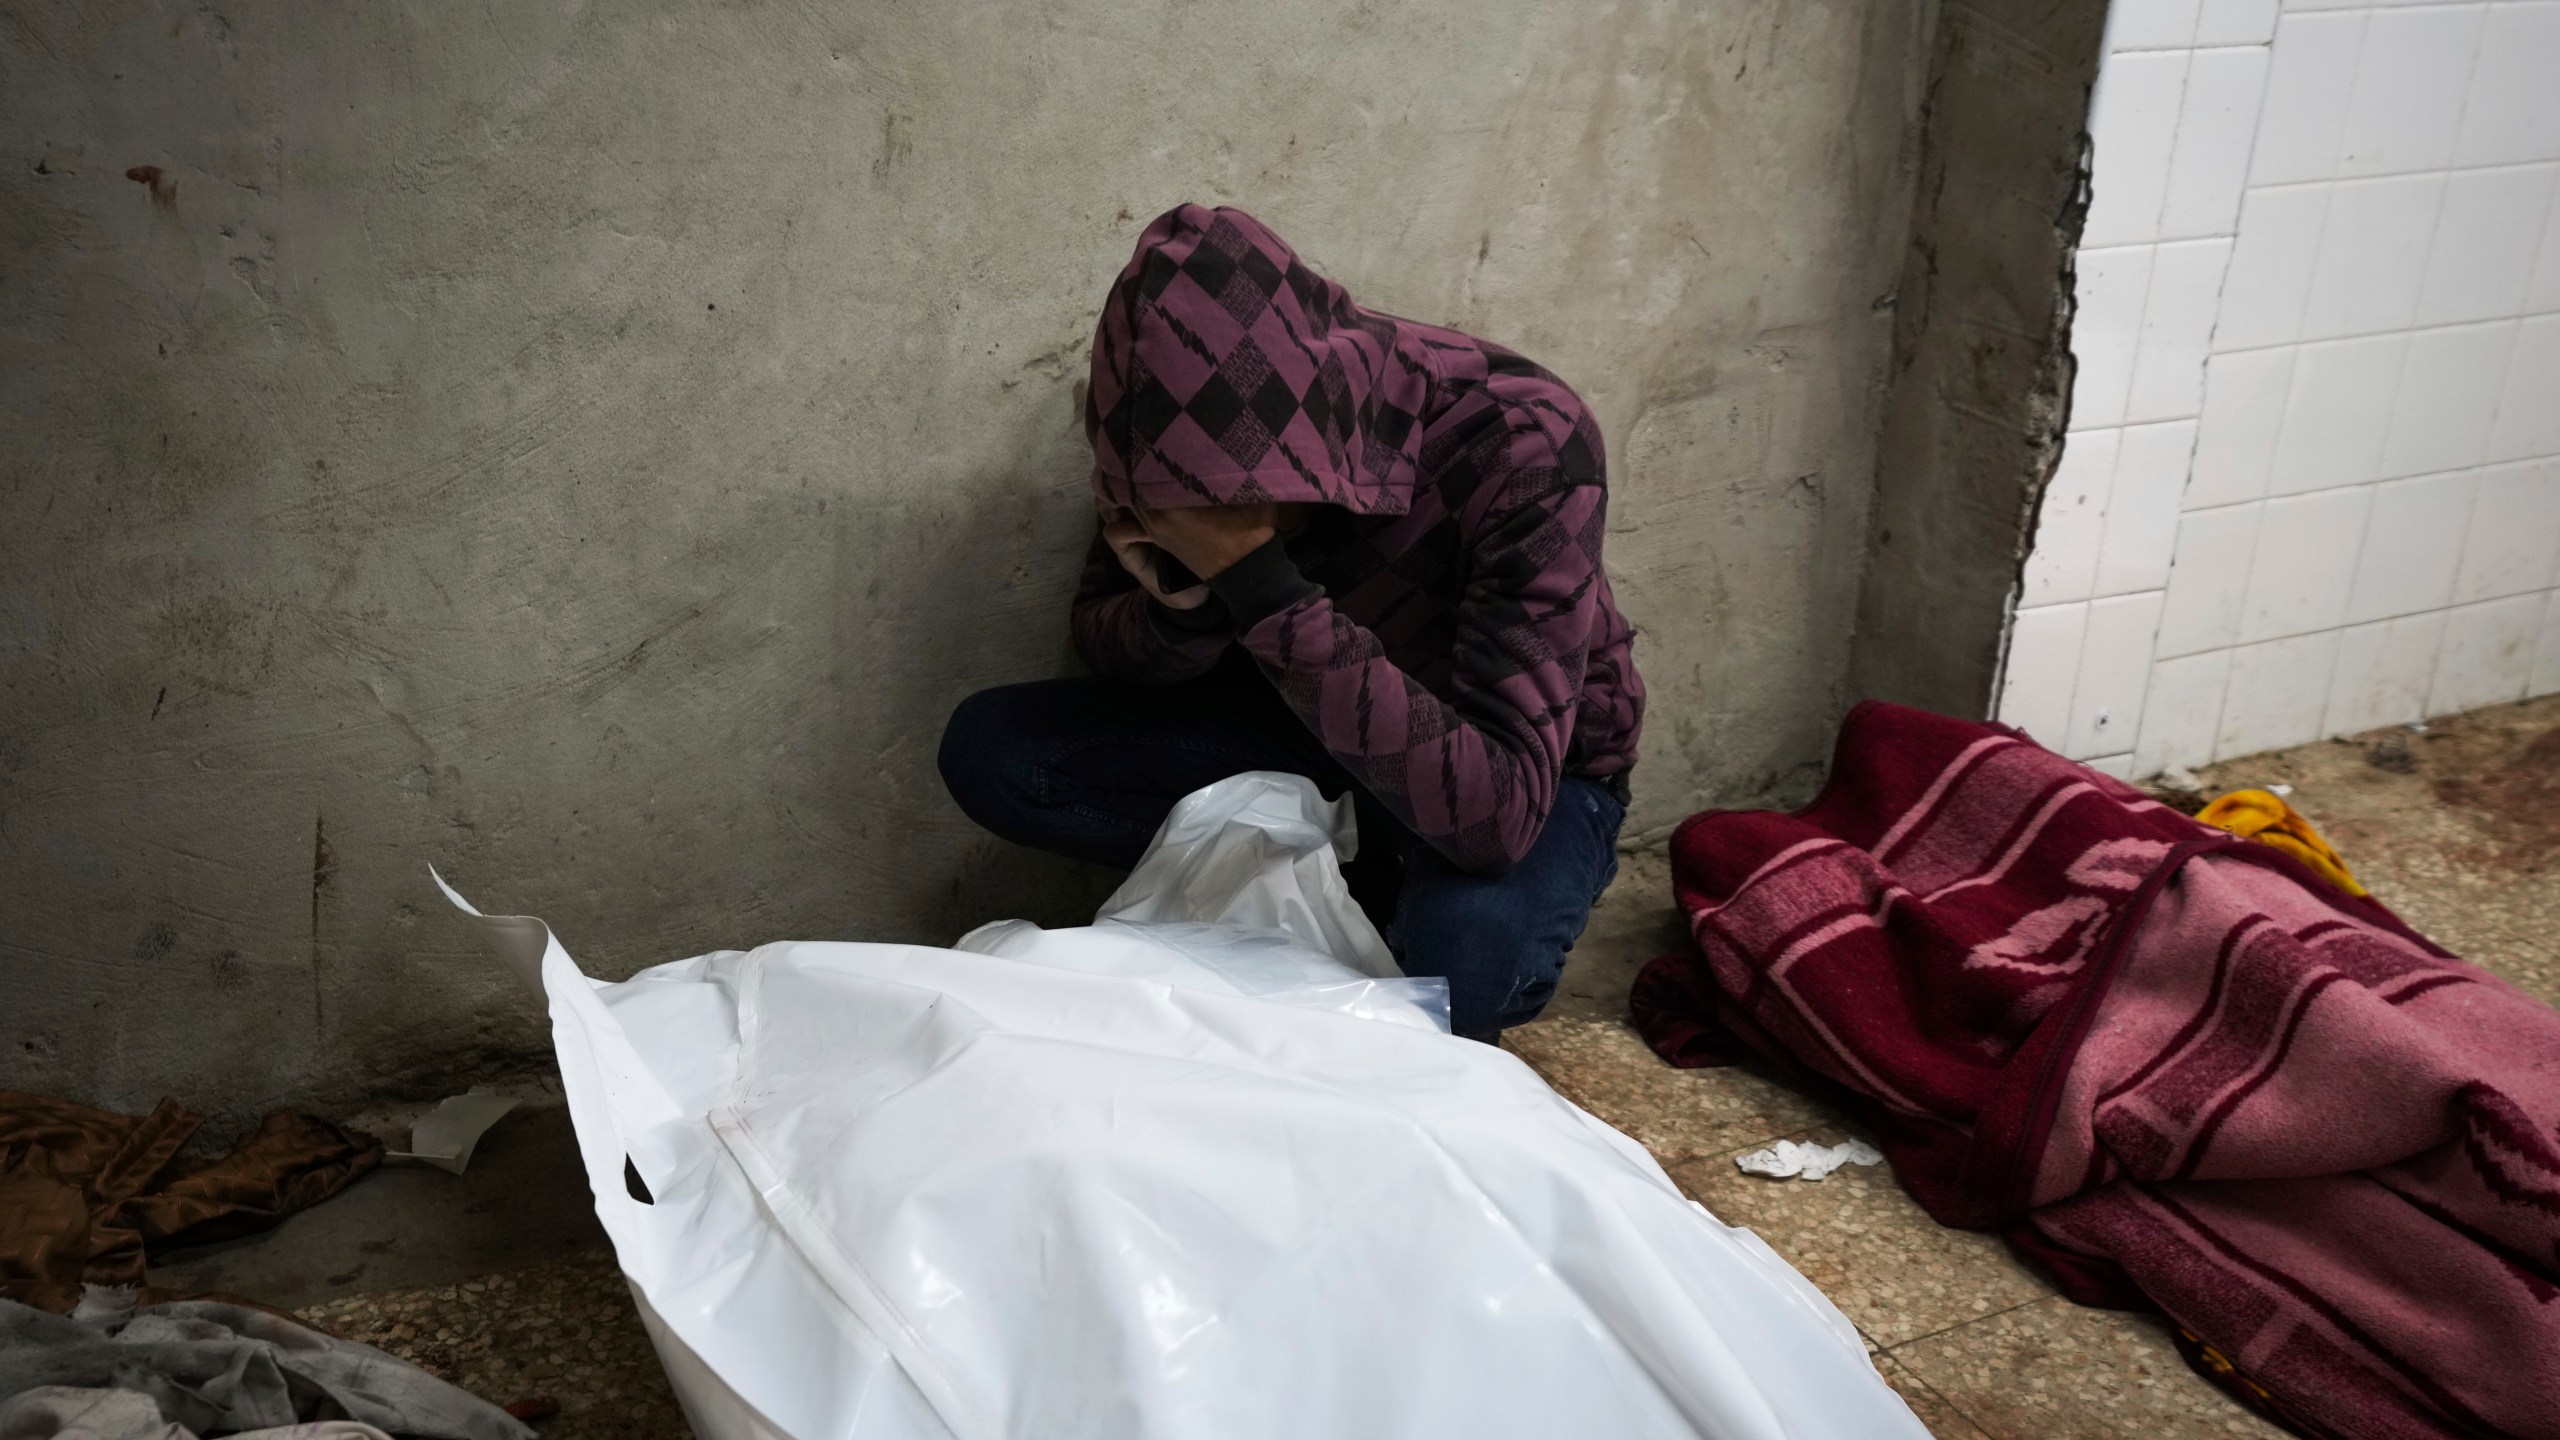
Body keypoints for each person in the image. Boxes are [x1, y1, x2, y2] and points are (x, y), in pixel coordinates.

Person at [938, 204, 1644, 1043]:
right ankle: (1350, 891)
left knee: (1467, 969)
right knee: (995, 750)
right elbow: (1106, 648)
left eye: (1231, 501)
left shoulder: (1524, 440)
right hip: (1302, 734)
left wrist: (1255, 577)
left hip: (1520, 774)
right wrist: (1187, 592)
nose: (1204, 514)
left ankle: (1365, 901)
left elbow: (1498, 818)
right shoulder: (1168, 431)